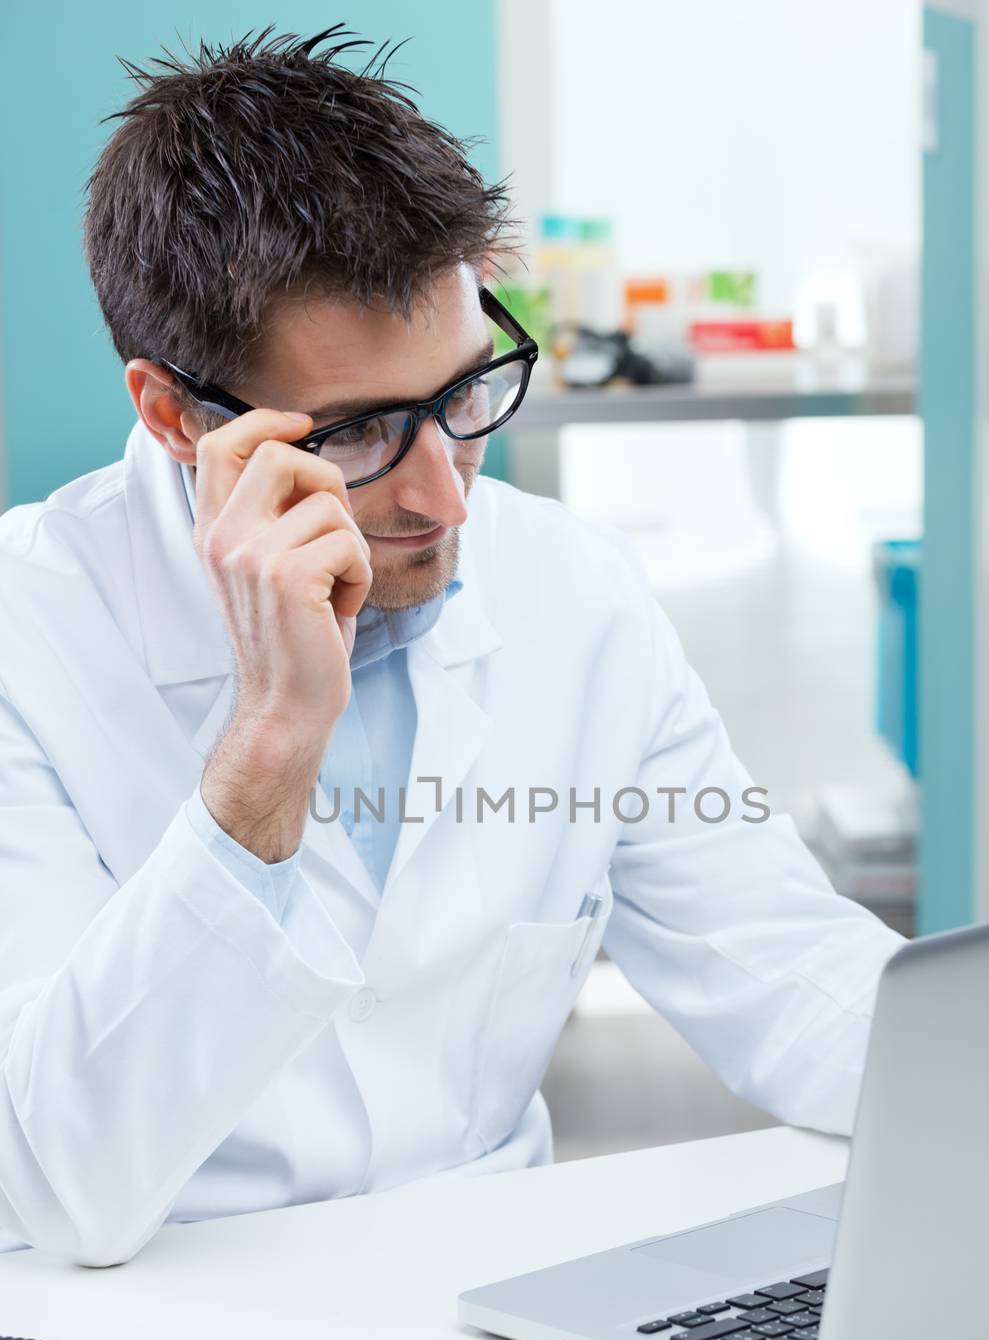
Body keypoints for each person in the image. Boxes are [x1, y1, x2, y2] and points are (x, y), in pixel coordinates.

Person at [0, 27, 903, 1265]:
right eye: (363, 431)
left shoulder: (573, 590)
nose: (447, 496)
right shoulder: (26, 636)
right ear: (172, 414)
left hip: (500, 1306)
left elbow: (789, 972)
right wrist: (266, 751)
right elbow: (62, 1182)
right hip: (159, 1323)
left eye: (467, 394)